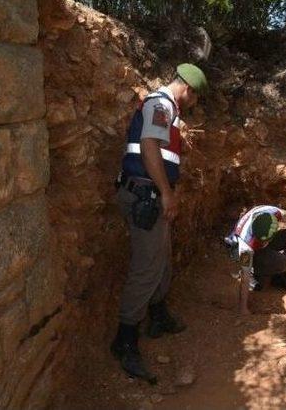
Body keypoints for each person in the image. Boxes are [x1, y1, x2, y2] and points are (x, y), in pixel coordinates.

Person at [111, 64, 208, 383]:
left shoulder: (165, 107)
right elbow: (150, 146)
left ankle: (159, 314)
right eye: (195, 98)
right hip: (146, 196)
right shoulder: (161, 104)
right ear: (188, 90)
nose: (193, 104)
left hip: (149, 194)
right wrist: (166, 193)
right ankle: (125, 340)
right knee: (147, 266)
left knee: (161, 258)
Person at [225, 205, 286, 315]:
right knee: (282, 263)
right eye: (263, 241)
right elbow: (244, 277)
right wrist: (243, 308)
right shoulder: (245, 246)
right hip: (250, 250)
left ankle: (282, 275)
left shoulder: (271, 213)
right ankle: (256, 274)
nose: (265, 242)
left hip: (261, 240)